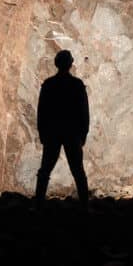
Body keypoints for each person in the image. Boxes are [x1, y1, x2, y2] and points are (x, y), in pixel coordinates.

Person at [34, 49, 90, 208]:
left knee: (45, 170)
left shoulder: (49, 84)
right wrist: (83, 133)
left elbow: (42, 112)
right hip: (72, 133)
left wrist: (42, 133)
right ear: (71, 64)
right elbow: (84, 112)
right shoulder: (77, 85)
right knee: (78, 171)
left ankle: (38, 204)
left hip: (53, 132)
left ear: (56, 63)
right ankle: (85, 205)